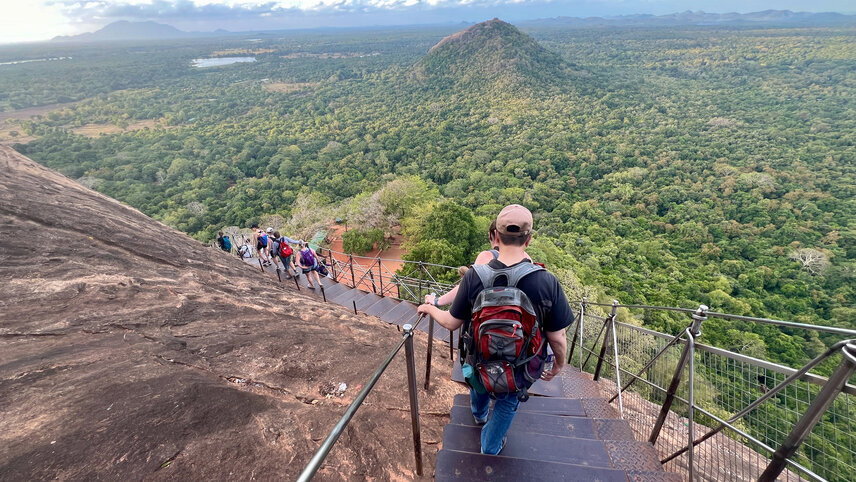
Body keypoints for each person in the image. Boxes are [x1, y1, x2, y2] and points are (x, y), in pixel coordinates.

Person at [417, 204, 572, 455]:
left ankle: (478, 415)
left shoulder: (475, 276)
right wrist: (558, 365)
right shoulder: (546, 280)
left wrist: (430, 308)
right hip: (521, 365)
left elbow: (451, 322)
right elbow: (557, 336)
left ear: (495, 236)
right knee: (508, 401)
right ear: (529, 239)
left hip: (479, 357)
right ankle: (490, 446)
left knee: (479, 384)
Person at [425, 220, 534, 307]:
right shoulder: (528, 260)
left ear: (494, 235)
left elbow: (465, 288)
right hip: (521, 321)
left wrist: (437, 301)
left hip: (490, 320)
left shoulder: (487, 256)